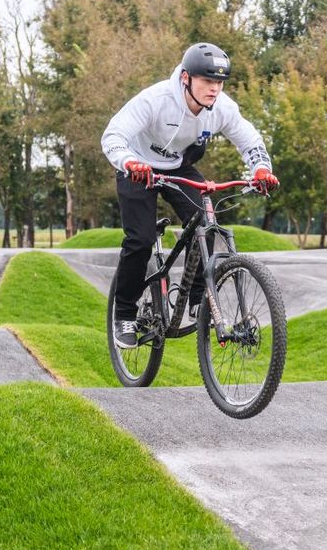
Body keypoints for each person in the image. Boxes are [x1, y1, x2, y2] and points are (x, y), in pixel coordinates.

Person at [101, 42, 279, 349]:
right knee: (140, 240)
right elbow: (113, 135)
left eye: (219, 82)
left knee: (207, 222)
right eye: (207, 81)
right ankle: (125, 314)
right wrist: (129, 162)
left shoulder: (222, 108)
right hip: (137, 168)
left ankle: (200, 301)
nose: (214, 89)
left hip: (178, 167)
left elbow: (250, 140)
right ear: (186, 78)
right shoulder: (156, 100)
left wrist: (261, 169)